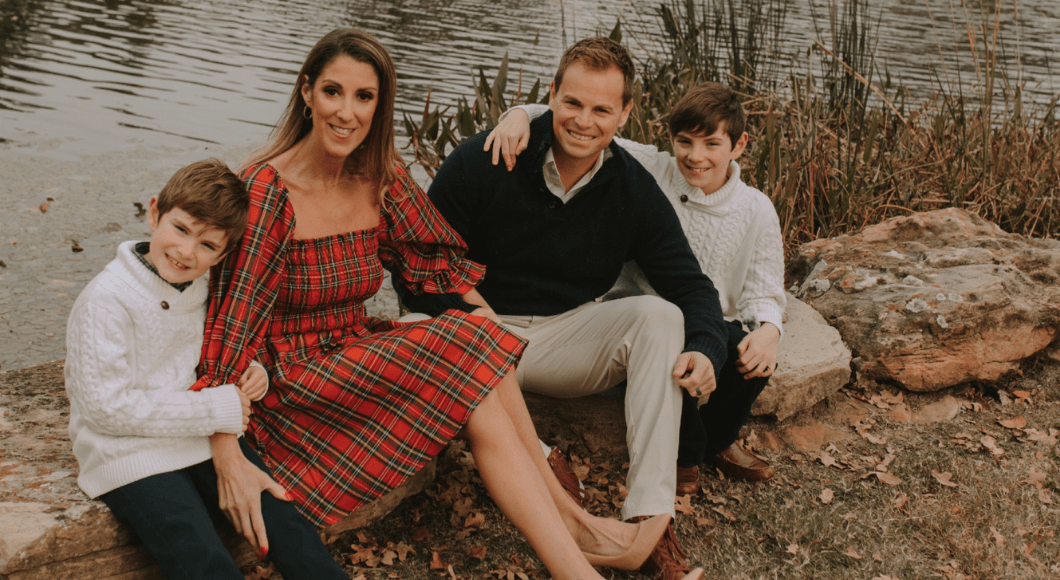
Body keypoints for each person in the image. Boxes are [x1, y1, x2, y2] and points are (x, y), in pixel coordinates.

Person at [189, 29, 698, 580]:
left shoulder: (378, 176)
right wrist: (225, 451)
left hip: (349, 349)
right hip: (289, 378)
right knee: (469, 344)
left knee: (474, 341)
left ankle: (575, 549)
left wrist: (485, 325)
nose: (346, 112)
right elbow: (229, 328)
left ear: (379, 106)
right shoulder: (268, 191)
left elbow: (433, 261)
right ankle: (575, 534)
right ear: (307, 91)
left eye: (365, 97)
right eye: (333, 91)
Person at [397, 37, 728, 580]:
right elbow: (415, 265)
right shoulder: (485, 161)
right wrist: (465, 312)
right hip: (473, 334)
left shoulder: (633, 190)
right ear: (550, 95)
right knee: (410, 329)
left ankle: (648, 521)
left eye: (602, 109)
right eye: (572, 103)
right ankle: (555, 481)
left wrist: (707, 346)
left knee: (661, 317)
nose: (583, 121)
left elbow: (691, 287)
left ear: (624, 114)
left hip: (559, 340)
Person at [486, 82, 785, 492]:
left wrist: (770, 330)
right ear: (671, 141)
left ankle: (718, 441)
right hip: (637, 313)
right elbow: (583, 122)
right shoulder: (648, 165)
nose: (695, 157)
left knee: (748, 360)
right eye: (685, 142)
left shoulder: (756, 208)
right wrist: (517, 114)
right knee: (668, 345)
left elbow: (765, 290)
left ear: (739, 145)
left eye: (711, 144)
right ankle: (686, 458)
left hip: (707, 316)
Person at [64, 158, 349, 579]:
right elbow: (105, 408)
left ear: (223, 253)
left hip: (195, 439)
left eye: (207, 245)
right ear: (154, 212)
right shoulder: (105, 300)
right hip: (128, 453)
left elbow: (215, 349)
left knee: (282, 517)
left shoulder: (201, 287)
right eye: (180, 230)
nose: (186, 252)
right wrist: (216, 409)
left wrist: (251, 370)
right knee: (198, 552)